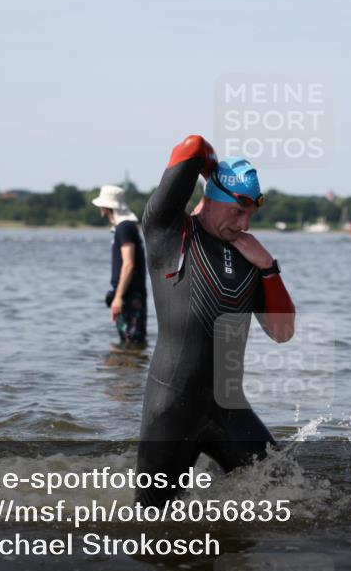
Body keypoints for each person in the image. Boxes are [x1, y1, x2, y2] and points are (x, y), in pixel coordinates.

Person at [136, 135, 296, 507]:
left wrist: (269, 269)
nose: (243, 224)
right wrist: (212, 169)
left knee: (291, 495)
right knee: (152, 523)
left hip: (229, 409)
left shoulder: (249, 256)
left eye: (250, 216)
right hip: (171, 410)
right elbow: (191, 146)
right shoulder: (168, 232)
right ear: (210, 199)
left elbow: (282, 332)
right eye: (236, 212)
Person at [92, 185, 148, 346]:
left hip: (129, 296)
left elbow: (128, 264)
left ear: (107, 207)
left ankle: (129, 368)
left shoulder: (124, 228)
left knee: (131, 341)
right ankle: (130, 367)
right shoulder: (125, 227)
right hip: (130, 294)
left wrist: (118, 297)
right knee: (130, 342)